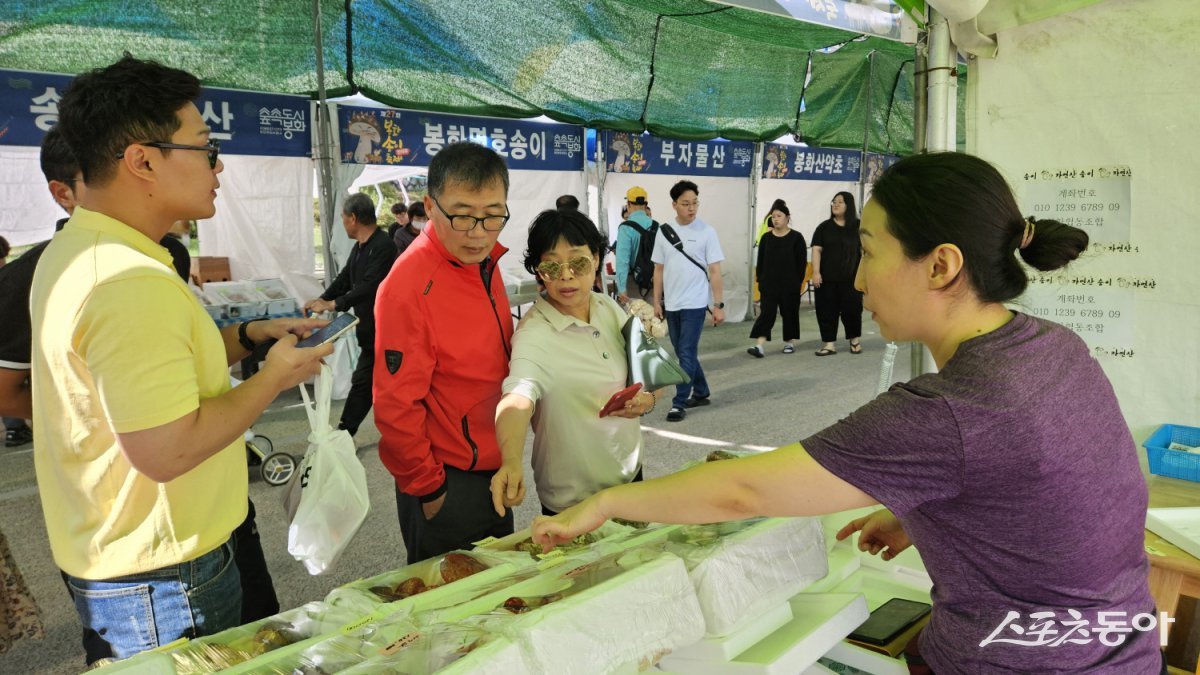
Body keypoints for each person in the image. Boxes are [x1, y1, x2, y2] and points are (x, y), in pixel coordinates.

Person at [533, 152, 1161, 674]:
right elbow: (1047, 487)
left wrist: (607, 505)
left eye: (868, 252)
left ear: (941, 265)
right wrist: (922, 511)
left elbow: (744, 490)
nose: (858, 281)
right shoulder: (1053, 344)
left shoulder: (951, 408)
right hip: (1125, 648)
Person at [31, 55, 331, 662]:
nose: (219, 167)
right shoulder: (125, 281)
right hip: (163, 581)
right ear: (143, 160)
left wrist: (252, 335)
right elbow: (165, 450)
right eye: (205, 147)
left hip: (136, 563)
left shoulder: (89, 250)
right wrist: (273, 379)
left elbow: (157, 372)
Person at [375, 142, 516, 564]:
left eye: (493, 215)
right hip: (447, 480)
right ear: (430, 207)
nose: (478, 232)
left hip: (494, 467)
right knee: (450, 613)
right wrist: (430, 488)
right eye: (462, 215)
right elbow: (395, 405)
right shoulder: (409, 285)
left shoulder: (482, 260)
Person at [491, 209, 657, 518]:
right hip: (573, 502)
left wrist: (646, 401)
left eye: (578, 262)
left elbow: (654, 373)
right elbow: (517, 398)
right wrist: (511, 461)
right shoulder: (534, 335)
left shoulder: (608, 308)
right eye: (551, 266)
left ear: (595, 259)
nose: (566, 275)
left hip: (630, 478)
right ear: (539, 271)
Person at [304, 193, 397, 437]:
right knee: (365, 382)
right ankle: (345, 432)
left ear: (353, 218)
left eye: (344, 218)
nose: (344, 223)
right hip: (369, 331)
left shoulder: (384, 245)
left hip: (389, 333)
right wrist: (322, 300)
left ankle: (346, 432)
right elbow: (346, 278)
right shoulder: (360, 247)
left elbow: (370, 285)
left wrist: (334, 304)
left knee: (369, 382)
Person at [652, 180, 725, 422]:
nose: (691, 208)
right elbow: (659, 270)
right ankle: (701, 390)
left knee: (684, 351)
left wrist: (718, 305)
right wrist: (656, 301)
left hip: (695, 303)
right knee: (685, 352)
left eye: (695, 203)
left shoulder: (707, 232)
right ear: (674, 205)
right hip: (672, 303)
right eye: (686, 204)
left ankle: (678, 402)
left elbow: (715, 270)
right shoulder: (663, 232)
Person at [748, 199, 807, 357]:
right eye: (773, 216)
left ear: (787, 218)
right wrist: (760, 280)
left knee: (789, 312)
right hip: (769, 284)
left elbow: (801, 264)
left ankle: (789, 342)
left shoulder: (796, 238)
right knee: (767, 313)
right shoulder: (766, 238)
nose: (775, 219)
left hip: (790, 285)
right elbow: (760, 262)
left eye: (779, 216)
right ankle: (759, 345)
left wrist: (796, 282)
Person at [811, 191, 864, 355]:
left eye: (840, 202)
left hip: (852, 279)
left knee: (853, 310)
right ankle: (829, 344)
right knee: (826, 310)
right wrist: (816, 272)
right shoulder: (824, 227)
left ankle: (854, 340)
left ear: (849, 205)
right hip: (827, 279)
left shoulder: (858, 227)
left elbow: (864, 252)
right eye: (834, 201)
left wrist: (864, 275)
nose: (836, 204)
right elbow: (816, 250)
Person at [614, 185, 656, 303]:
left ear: (629, 204)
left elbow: (622, 260)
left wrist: (622, 289)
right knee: (652, 319)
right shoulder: (657, 226)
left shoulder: (626, 228)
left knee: (634, 319)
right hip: (654, 281)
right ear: (646, 204)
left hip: (633, 282)